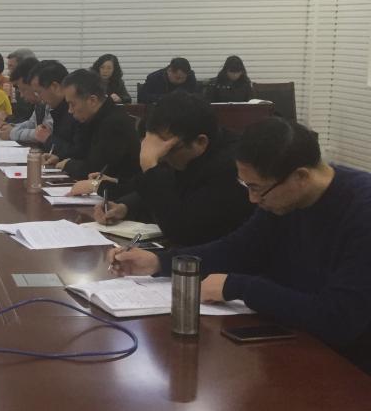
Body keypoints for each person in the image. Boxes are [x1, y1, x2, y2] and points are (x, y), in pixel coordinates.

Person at [109, 118, 371, 374]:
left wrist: (239, 286)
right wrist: (159, 262)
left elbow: (338, 319)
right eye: (246, 186)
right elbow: (238, 249)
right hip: (296, 342)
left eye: (257, 188)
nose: (253, 199)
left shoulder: (361, 212)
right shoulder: (283, 198)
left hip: (348, 367)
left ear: (300, 176)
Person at [93, 91, 254, 246]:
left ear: (200, 142)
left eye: (168, 150)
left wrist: (150, 166)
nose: (161, 157)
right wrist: (125, 207)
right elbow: (167, 188)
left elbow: (183, 232)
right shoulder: (184, 153)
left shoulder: (232, 166)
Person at [59, 69, 141, 196]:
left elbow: (93, 169)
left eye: (72, 104)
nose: (69, 110)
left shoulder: (114, 123)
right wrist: (62, 159)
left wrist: (68, 164)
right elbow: (80, 152)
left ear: (92, 100)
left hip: (121, 195)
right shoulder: (94, 117)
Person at [2, 61, 80, 161]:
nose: (39, 98)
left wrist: (47, 139)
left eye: (39, 92)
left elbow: (77, 153)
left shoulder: (75, 111)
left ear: (55, 87)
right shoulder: (55, 107)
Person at [6, 49, 39, 123]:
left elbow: (28, 119)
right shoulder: (17, 86)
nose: (8, 73)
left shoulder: (30, 88)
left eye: (11, 67)